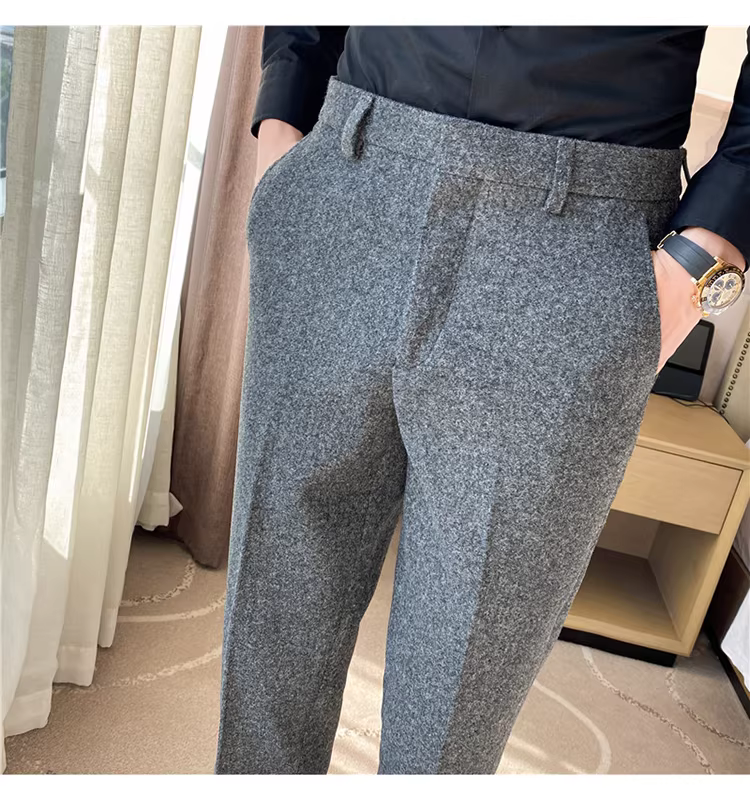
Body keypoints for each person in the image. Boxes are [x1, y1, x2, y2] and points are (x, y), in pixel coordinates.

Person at [214, 26, 749, 775]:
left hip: (578, 238)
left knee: (456, 704)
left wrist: (698, 259)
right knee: (276, 614)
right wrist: (284, 131)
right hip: (346, 177)